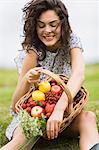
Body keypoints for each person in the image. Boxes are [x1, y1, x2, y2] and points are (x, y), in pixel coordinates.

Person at [1, 0, 99, 150]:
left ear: (62, 24)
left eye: (53, 24)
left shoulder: (72, 41)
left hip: (63, 118)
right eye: (41, 25)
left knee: (88, 117)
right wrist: (27, 80)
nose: (47, 30)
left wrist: (59, 110)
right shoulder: (33, 51)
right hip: (35, 117)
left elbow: (78, 75)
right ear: (35, 26)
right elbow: (16, 106)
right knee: (20, 140)